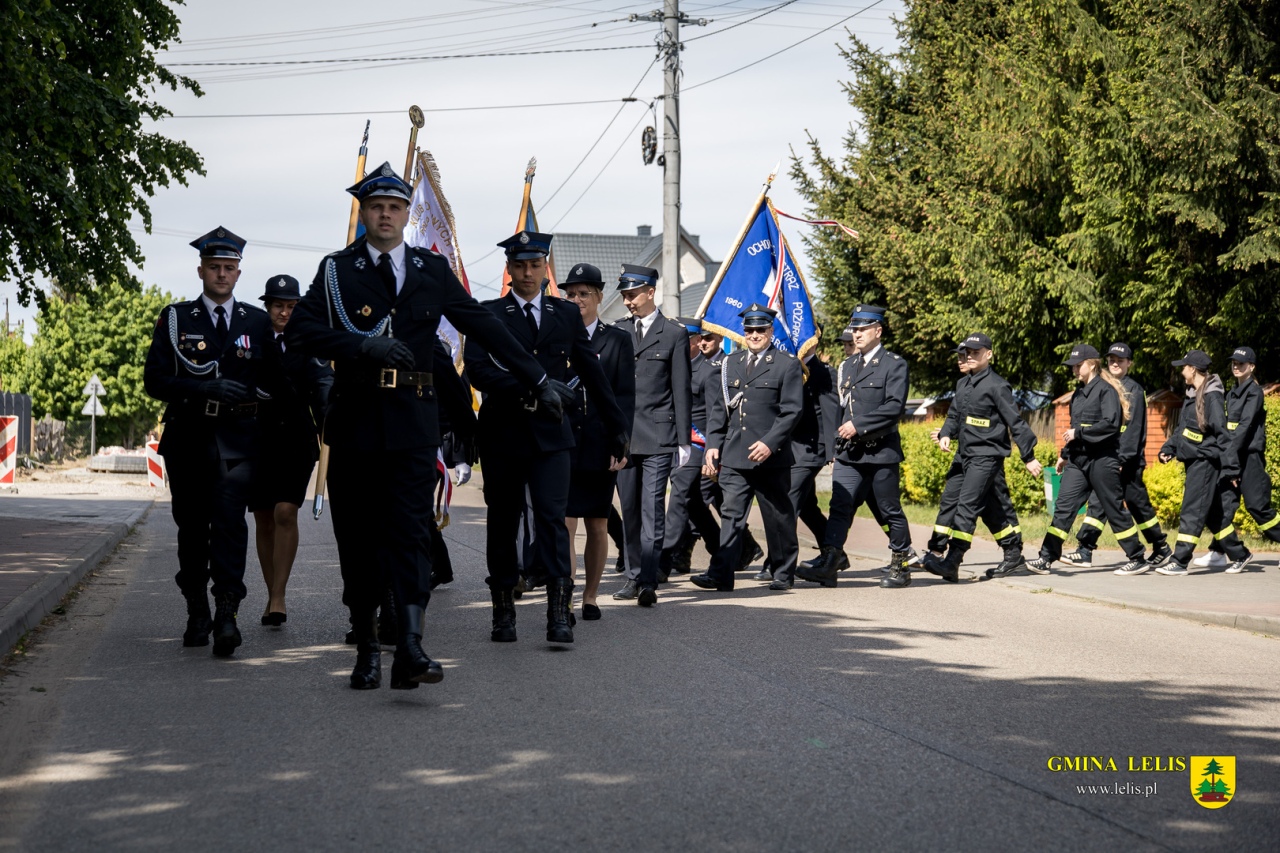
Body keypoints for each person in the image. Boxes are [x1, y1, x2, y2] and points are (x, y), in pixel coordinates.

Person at [289, 164, 563, 690]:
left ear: (406, 214)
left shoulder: (429, 270)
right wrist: (360, 346)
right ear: (364, 214)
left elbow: (483, 325)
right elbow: (302, 330)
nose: (386, 214)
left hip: (413, 423)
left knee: (413, 532)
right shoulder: (336, 270)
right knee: (360, 538)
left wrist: (538, 378)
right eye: (376, 207)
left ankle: (411, 645)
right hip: (357, 420)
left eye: (395, 207)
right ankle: (367, 644)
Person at [464, 232, 628, 643]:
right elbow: (478, 372)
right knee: (503, 522)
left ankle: (558, 612)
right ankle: (503, 612)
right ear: (509, 269)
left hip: (553, 436)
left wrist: (617, 426)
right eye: (519, 266)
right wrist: (535, 388)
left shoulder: (564, 313)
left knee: (553, 521)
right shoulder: (489, 313)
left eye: (535, 265)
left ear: (545, 270)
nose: (527, 273)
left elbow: (592, 371)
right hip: (503, 433)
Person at [144, 227, 274, 657]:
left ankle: (227, 613)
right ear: (201, 270)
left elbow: (275, 379)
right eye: (215, 267)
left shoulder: (256, 321)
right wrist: (200, 389)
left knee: (232, 526)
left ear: (239, 273)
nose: (222, 274)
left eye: (229, 268)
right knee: (193, 528)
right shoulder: (177, 317)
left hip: (238, 440)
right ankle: (196, 609)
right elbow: (155, 380)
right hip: (189, 437)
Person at [798, 305, 911, 588]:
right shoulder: (848, 365)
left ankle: (901, 565)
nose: (856, 334)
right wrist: (836, 444)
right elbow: (840, 408)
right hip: (850, 454)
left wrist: (860, 425)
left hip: (881, 452)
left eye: (862, 329)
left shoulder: (894, 364)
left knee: (889, 509)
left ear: (878, 331)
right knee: (840, 507)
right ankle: (830, 561)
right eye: (855, 329)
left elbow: (894, 407)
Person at [692, 304, 803, 591]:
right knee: (730, 514)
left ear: (770, 331)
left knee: (777, 516)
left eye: (760, 330)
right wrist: (713, 445)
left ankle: (782, 572)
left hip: (770, 457)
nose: (754, 335)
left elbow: (791, 411)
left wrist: (769, 443)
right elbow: (720, 409)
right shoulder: (731, 362)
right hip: (735, 454)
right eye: (749, 330)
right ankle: (721, 574)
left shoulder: (786, 364)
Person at [922, 333, 1042, 583]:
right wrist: (946, 433)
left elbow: (1015, 422)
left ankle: (952, 562)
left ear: (988, 354)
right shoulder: (963, 384)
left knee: (967, 506)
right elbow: (955, 416)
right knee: (971, 504)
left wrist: (1028, 456)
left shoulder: (998, 386)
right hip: (963, 455)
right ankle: (1013, 555)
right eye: (967, 353)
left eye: (975, 352)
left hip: (986, 457)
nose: (969, 356)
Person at [249, 274, 333, 627]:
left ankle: (279, 596)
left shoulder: (308, 341)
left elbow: (323, 383)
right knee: (264, 517)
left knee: (286, 511)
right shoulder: (251, 339)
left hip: (297, 439)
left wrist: (332, 415)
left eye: (291, 306)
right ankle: (271, 593)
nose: (284, 312)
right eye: (278, 305)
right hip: (256, 440)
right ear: (267, 306)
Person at [1025, 345, 1150, 575]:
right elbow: (1073, 428)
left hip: (1103, 460)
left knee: (1113, 509)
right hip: (1078, 461)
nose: (1074, 369)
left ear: (1091, 364)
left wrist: (1079, 434)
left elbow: (1111, 425)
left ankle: (1137, 556)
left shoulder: (1106, 391)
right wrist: (1064, 455)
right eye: (1072, 365)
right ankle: (1046, 557)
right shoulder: (1078, 394)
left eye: (1078, 364)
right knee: (1063, 508)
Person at [612, 264, 692, 607]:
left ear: (650, 292)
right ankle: (631, 576)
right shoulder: (618, 332)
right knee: (629, 509)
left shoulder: (673, 333)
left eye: (632, 295)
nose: (628, 302)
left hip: (659, 436)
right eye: (625, 296)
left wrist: (684, 440)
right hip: (625, 438)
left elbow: (681, 389)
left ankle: (648, 580)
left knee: (652, 511)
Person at [561, 263, 634, 620]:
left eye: (583, 294)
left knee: (597, 523)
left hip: (600, 443)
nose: (576, 300)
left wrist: (620, 443)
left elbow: (624, 397)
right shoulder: (556, 336)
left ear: (599, 298)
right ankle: (565, 595)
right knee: (564, 521)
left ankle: (591, 596)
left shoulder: (617, 339)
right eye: (570, 294)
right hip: (562, 443)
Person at [1060, 343, 1172, 573]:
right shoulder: (1105, 386)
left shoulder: (1134, 389)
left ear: (1129, 363)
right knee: (1099, 503)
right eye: (1111, 359)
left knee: (1137, 506)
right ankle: (1085, 549)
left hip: (1126, 460)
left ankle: (1160, 547)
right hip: (1108, 458)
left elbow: (1133, 429)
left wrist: (1121, 460)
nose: (1115, 363)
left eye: (1120, 360)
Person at [1154, 350, 1252, 575]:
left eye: (1184, 367)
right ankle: (1240, 554)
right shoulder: (1192, 393)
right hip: (1193, 460)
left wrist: (1231, 469)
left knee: (1191, 511)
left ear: (1193, 369)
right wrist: (1168, 448)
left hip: (1206, 462)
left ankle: (1179, 561)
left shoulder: (1212, 397)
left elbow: (1222, 434)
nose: (1181, 371)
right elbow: (1183, 430)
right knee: (1212, 515)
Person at [659, 317, 723, 581]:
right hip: (672, 441)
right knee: (694, 503)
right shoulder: (672, 367)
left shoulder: (709, 371)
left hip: (697, 445)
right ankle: (725, 550)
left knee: (678, 498)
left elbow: (715, 415)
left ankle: (661, 562)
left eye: (685, 340)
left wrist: (712, 451)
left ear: (697, 341)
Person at [1207, 346, 1280, 567]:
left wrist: (1228, 450)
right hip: (1232, 456)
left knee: (1257, 506)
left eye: (1241, 363)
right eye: (1234, 363)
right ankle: (1219, 551)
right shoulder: (1231, 393)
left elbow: (1245, 426)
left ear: (1252, 367)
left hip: (1249, 457)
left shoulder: (1254, 392)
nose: (1236, 367)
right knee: (1224, 504)